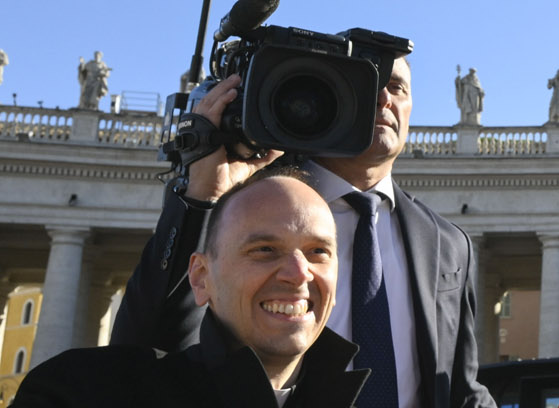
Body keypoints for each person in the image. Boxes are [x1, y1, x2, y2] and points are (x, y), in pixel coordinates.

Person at [112, 54, 495, 408]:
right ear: (327, 96)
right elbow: (143, 353)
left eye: (396, 87)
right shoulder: (247, 205)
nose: (383, 99)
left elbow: (460, 389)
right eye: (367, 83)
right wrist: (202, 200)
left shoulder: (447, 242)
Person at [16, 169, 369, 407]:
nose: (298, 272)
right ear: (201, 277)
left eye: (318, 252)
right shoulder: (78, 392)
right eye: (264, 250)